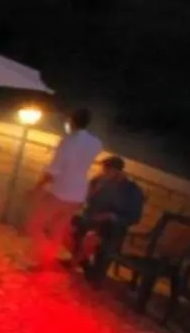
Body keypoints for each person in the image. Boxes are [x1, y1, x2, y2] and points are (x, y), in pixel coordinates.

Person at [26, 108, 105, 271]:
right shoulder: (96, 143)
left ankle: (42, 257)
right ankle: (47, 260)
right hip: (78, 193)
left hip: (62, 190)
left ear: (71, 121)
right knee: (58, 228)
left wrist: (37, 187)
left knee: (35, 223)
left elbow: (54, 169)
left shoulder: (68, 141)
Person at [72, 156, 146, 285]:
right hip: (93, 221)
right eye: (104, 170)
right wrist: (92, 189)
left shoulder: (132, 190)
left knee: (102, 243)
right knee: (68, 224)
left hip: (113, 228)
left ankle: (91, 269)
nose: (105, 173)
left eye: (108, 170)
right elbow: (89, 203)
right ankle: (82, 262)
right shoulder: (100, 182)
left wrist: (111, 216)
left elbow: (134, 217)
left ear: (119, 172)